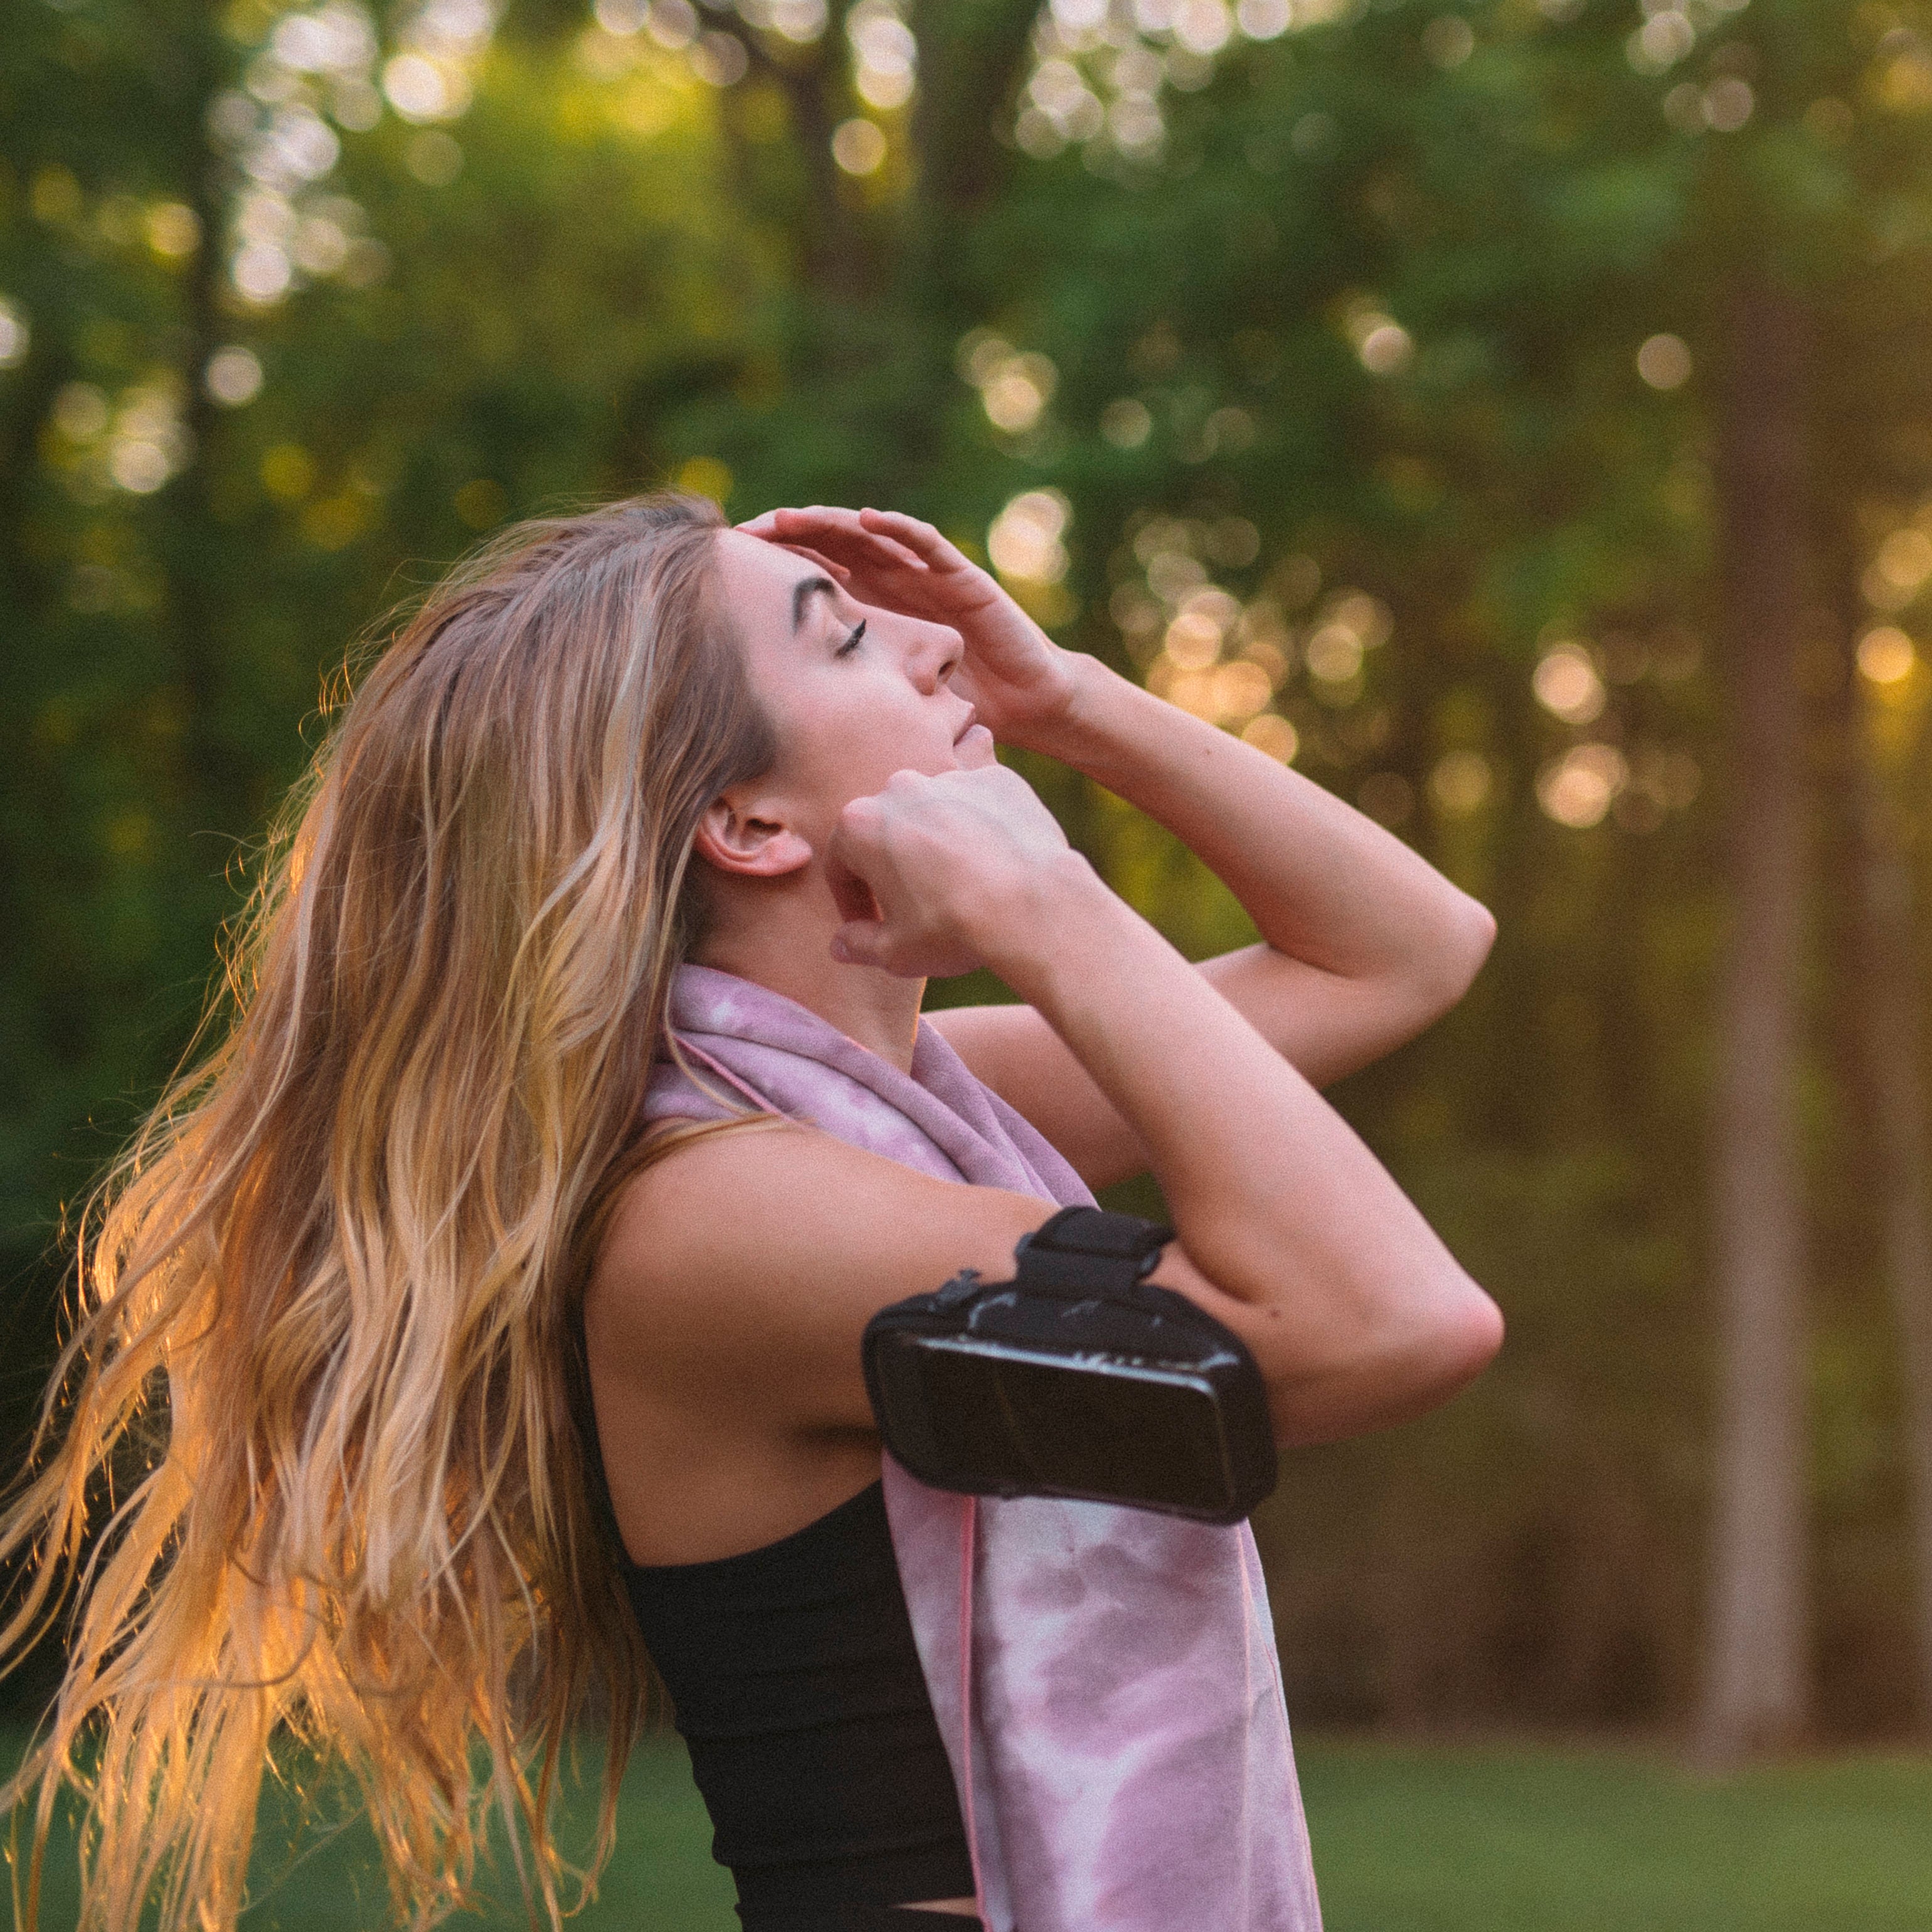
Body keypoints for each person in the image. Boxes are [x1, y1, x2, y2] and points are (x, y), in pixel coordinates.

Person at [0, 492, 1501, 1932]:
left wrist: (1066, 700)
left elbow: (1401, 951)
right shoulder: (716, 1215)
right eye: (845, 637)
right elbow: (1383, 1325)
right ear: (746, 819)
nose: (936, 646)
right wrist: (1049, 908)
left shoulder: (898, 1107)